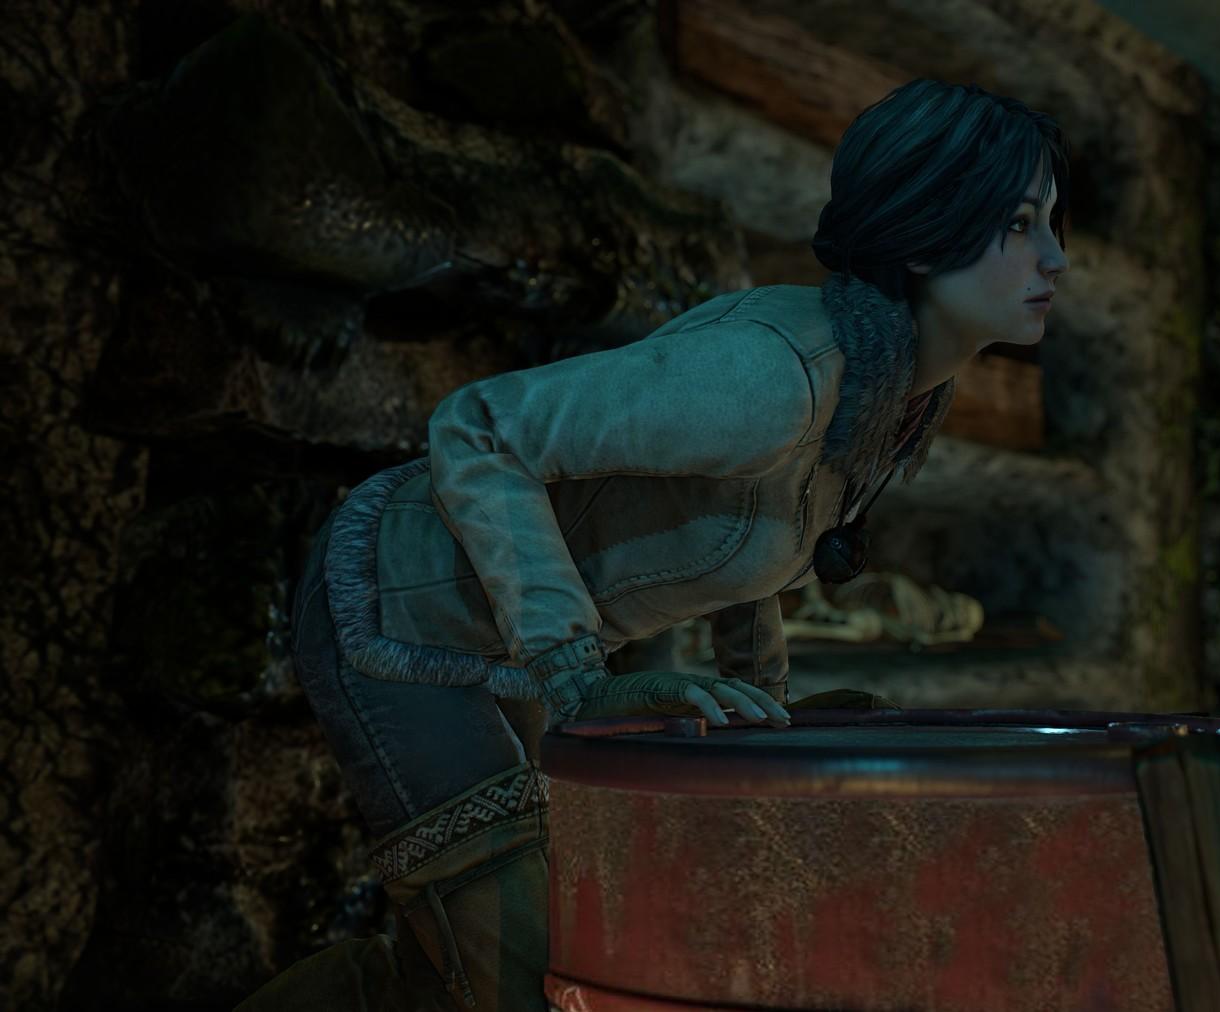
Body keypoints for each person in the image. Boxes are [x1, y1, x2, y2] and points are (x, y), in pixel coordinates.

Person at [236, 77, 1070, 1011]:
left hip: (508, 648)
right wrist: (579, 682)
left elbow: (758, 532)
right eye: (1019, 223)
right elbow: (481, 427)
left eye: (1052, 222)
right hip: (399, 604)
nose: (1056, 257)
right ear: (923, 233)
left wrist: (766, 711)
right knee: (537, 977)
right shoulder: (771, 380)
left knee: (451, 979)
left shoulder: (887, 392)